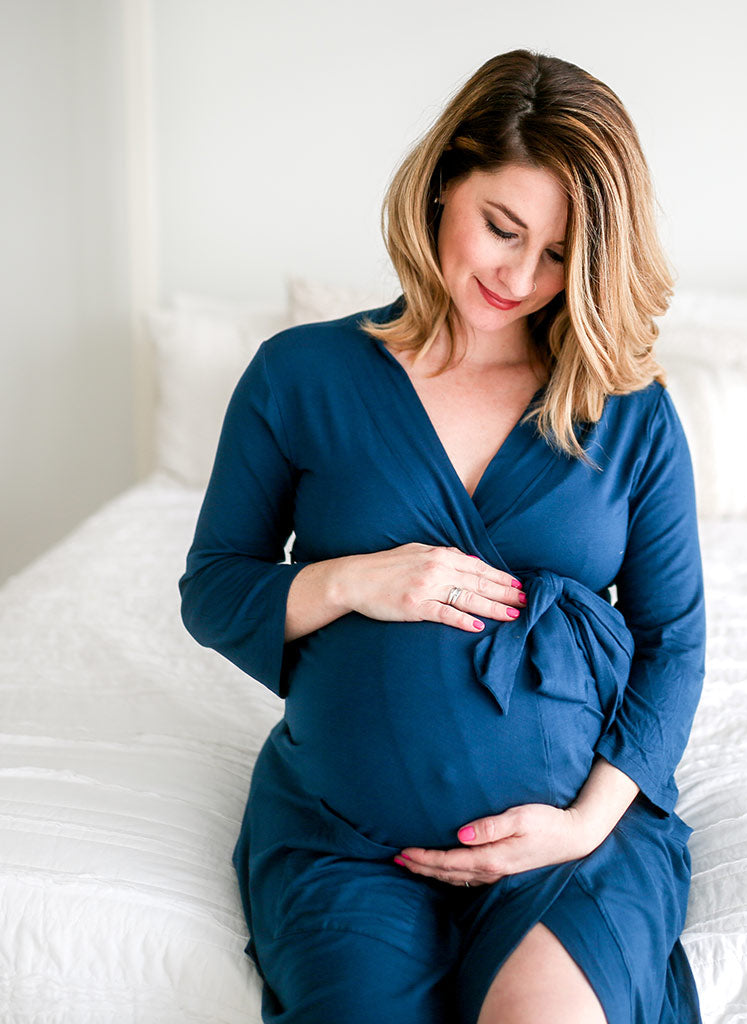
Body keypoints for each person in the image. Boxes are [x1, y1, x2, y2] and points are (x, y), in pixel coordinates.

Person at [179, 48, 705, 1024]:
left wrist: (582, 823)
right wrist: (350, 581)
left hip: (570, 843)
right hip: (346, 836)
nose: (519, 275)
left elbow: (672, 642)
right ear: (440, 185)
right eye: (501, 228)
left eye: (558, 253)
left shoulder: (629, 411)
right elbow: (213, 588)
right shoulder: (299, 376)